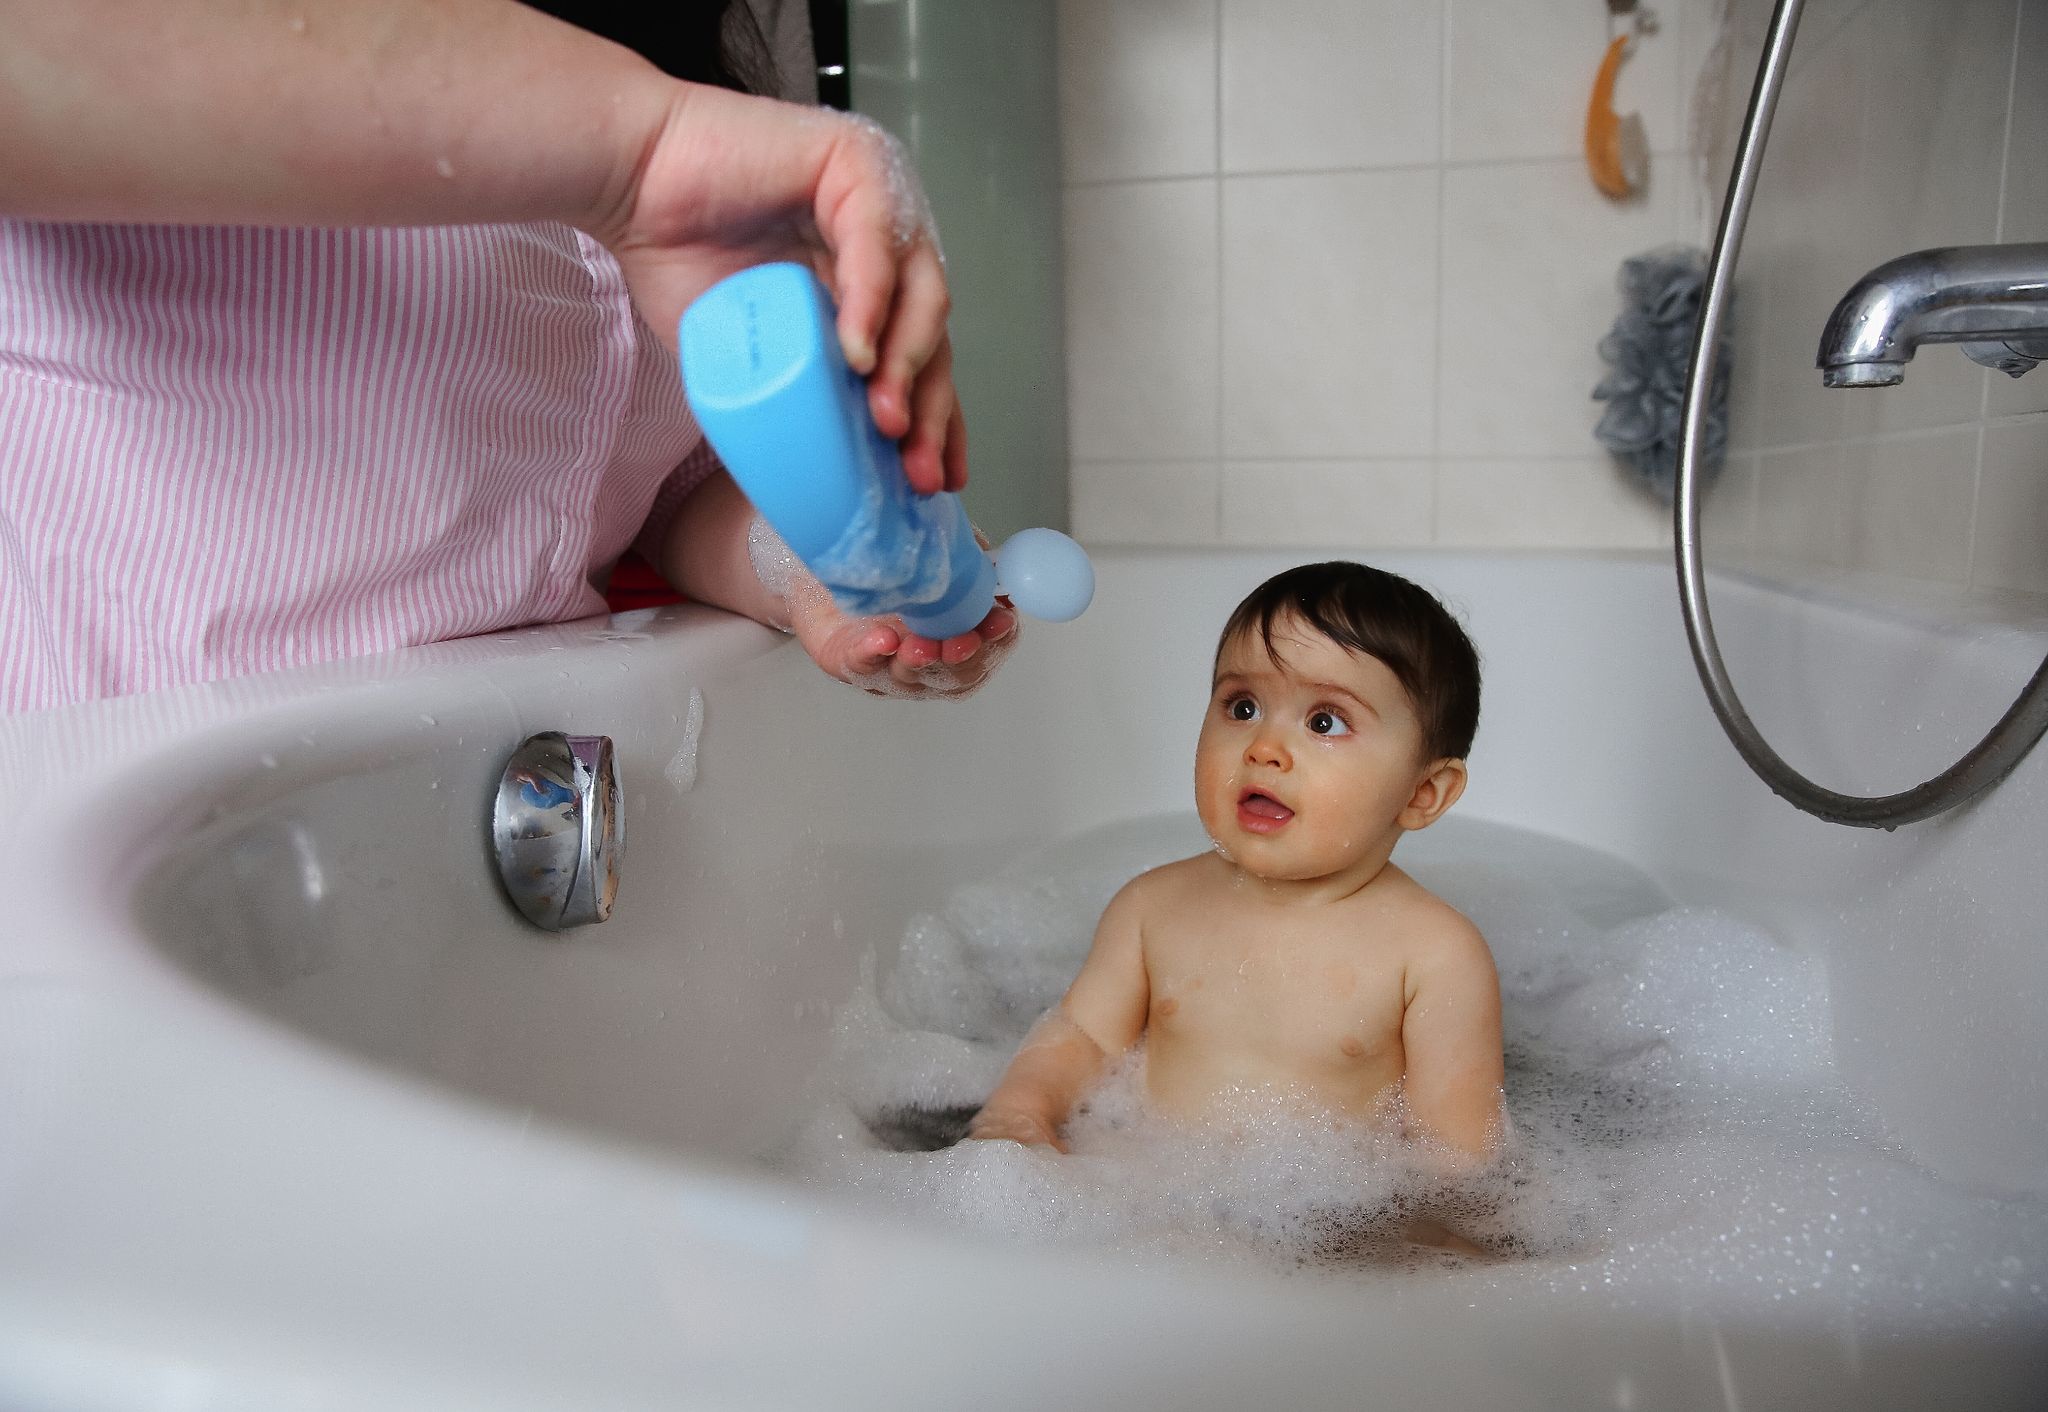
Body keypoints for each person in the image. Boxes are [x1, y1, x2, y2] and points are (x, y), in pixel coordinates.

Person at [0, 0, 1014, 714]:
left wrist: (812, 558)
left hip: (500, 815)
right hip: (132, 831)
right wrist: (641, 151)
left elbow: (654, 484)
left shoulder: (682, 70)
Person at [968, 562, 1505, 1184]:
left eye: (1323, 721)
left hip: (1331, 1235)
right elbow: (1082, 1038)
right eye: (1242, 706)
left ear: (1423, 792)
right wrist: (1019, 1111)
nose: (1264, 748)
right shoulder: (1151, 908)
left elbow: (1458, 1161)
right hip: (1142, 1203)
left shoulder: (1437, 956)